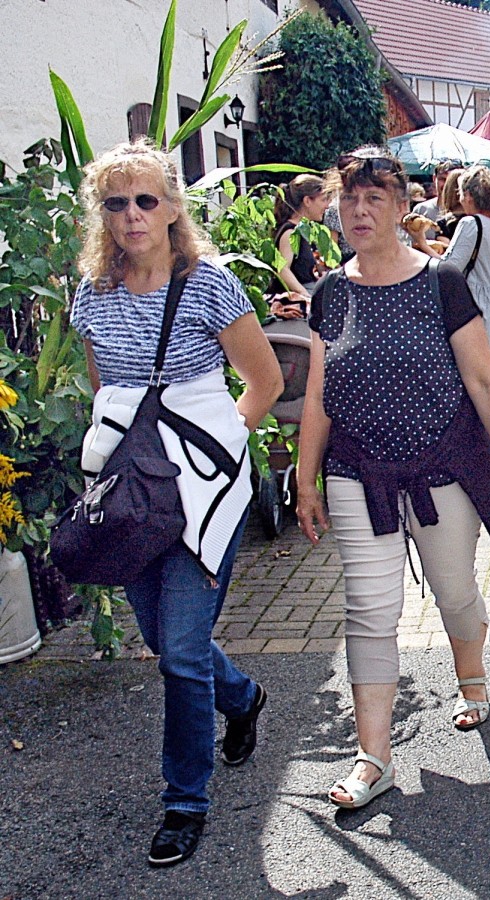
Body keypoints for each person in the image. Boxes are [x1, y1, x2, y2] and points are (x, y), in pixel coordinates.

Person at [295, 146, 490, 812]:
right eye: (349, 198)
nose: (359, 210)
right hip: (356, 472)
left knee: (455, 590)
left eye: (375, 198)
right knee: (370, 611)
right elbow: (317, 396)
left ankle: (473, 679)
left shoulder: (441, 282)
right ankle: (373, 756)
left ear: (403, 209)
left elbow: (486, 380)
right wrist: (305, 476)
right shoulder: (331, 294)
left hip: (441, 468)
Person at [70, 140, 283, 867]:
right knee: (168, 643)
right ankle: (245, 697)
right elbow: (105, 392)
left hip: (201, 492)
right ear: (103, 215)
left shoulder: (209, 285)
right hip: (132, 494)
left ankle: (183, 802)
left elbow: (264, 383)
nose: (131, 216)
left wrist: (217, 454)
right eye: (116, 203)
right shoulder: (92, 293)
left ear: (171, 208)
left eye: (146, 200)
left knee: (179, 655)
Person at [421, 165, 490, 397]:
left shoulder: (471, 224)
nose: (459, 197)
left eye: (461, 192)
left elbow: (448, 269)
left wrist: (420, 243)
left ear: (469, 196)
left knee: (474, 387)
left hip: (477, 310)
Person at [272, 173, 332, 320]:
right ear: (307, 201)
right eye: (323, 200)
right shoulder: (290, 232)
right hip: (299, 306)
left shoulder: (306, 230)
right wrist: (305, 296)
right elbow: (282, 269)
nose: (327, 206)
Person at [411, 160, 461, 240]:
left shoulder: (465, 213)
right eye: (443, 179)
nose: (446, 185)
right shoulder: (421, 210)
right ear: (434, 179)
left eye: (451, 181)